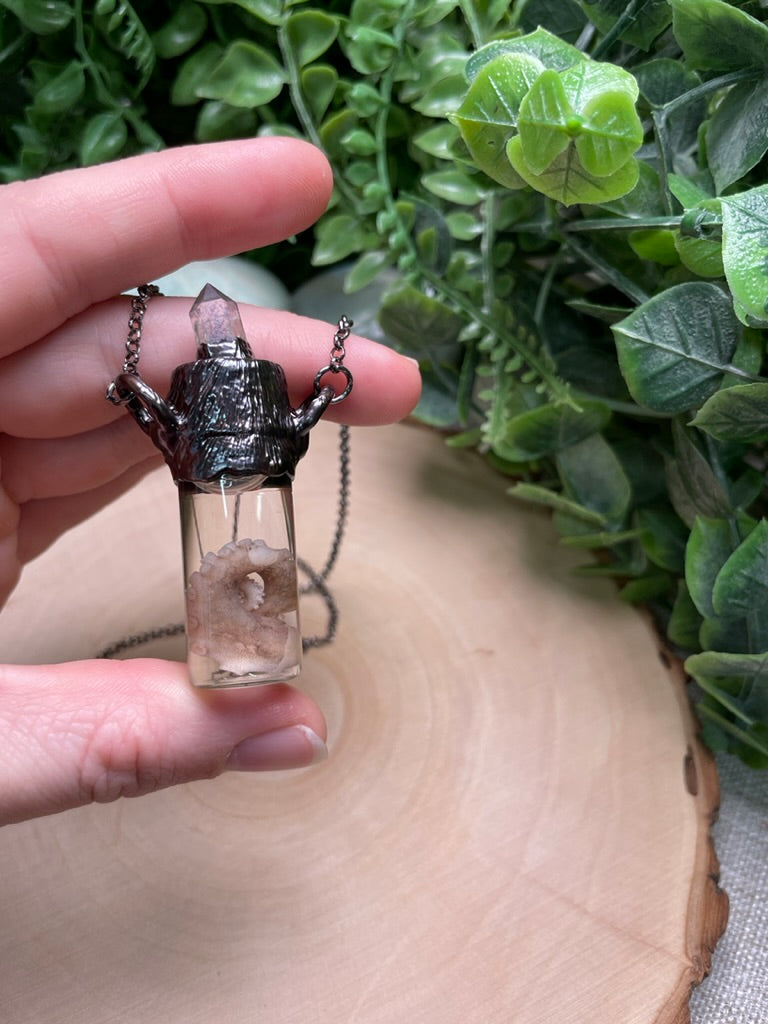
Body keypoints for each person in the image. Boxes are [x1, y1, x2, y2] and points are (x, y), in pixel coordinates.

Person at [0, 137, 421, 827]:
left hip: (237, 465)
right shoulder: (201, 402)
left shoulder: (237, 400)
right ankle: (238, 645)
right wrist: (145, 392)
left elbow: (237, 419)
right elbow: (171, 419)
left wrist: (314, 395)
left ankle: (254, 643)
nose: (222, 333)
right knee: (226, 553)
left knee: (244, 555)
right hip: (211, 470)